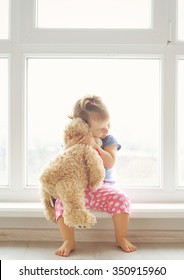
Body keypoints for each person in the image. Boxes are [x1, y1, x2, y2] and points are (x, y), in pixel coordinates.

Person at [55, 95, 137, 257]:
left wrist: (95, 146)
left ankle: (121, 237)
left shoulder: (109, 139)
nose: (106, 130)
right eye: (101, 128)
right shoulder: (74, 138)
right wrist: (69, 146)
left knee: (121, 198)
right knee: (62, 200)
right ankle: (68, 240)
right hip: (78, 188)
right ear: (84, 127)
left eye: (108, 124)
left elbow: (110, 162)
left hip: (102, 185)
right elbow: (61, 162)